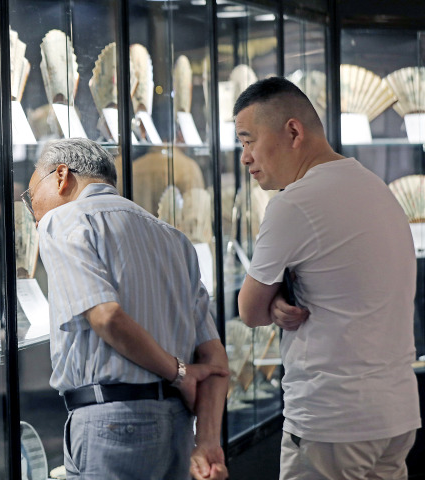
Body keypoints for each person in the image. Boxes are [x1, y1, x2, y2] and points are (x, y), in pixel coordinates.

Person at [235, 77, 420, 479]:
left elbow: (249, 311)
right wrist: (283, 297)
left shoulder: (292, 203)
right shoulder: (375, 187)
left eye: (248, 141)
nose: (245, 157)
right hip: (395, 414)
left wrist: (271, 302)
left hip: (332, 420)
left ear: (293, 131)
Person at [26, 138, 229, 480]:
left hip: (112, 419)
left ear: (62, 176)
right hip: (177, 424)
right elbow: (215, 359)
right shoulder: (173, 238)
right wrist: (208, 440)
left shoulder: (63, 219)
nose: (33, 211)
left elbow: (105, 316)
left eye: (31, 196)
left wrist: (178, 373)